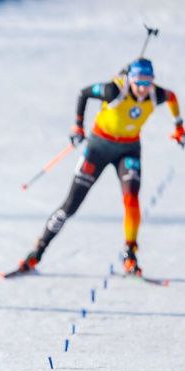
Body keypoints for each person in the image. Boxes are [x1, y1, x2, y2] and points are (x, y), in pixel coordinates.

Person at [15, 58, 182, 276]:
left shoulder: (155, 94)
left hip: (128, 150)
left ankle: (129, 253)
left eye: (148, 81)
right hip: (98, 148)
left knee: (131, 199)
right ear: (131, 79)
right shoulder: (114, 90)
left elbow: (172, 97)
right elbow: (83, 93)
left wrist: (179, 126)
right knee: (71, 205)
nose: (143, 88)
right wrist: (78, 125)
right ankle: (36, 253)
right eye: (139, 81)